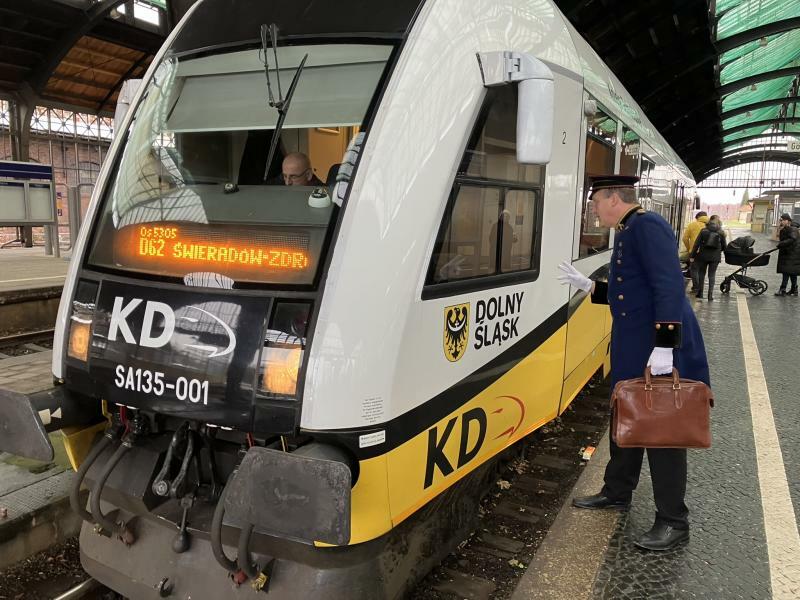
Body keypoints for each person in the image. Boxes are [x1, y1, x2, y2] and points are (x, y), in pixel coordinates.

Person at [557, 174, 709, 552]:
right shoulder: (629, 228)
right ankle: (617, 491)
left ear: (612, 198)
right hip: (634, 348)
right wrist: (590, 286)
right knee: (626, 418)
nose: (592, 209)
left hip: (655, 349)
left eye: (594, 201)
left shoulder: (648, 226)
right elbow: (632, 293)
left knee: (663, 433)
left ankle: (674, 521)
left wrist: (665, 345)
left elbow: (668, 286)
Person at [690, 217, 726, 301]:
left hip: (703, 256)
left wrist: (692, 256)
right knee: (712, 275)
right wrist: (719, 250)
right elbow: (724, 246)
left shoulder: (703, 231)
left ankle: (700, 293)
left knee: (701, 274)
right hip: (715, 257)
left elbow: (696, 244)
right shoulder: (721, 232)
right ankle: (710, 295)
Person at [682, 211, 709, 293]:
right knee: (702, 271)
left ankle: (696, 287)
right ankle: (701, 288)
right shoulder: (711, 226)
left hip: (694, 251)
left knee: (694, 269)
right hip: (707, 252)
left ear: (697, 218)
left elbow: (685, 238)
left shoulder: (692, 225)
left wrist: (689, 248)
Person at [775, 213, 800, 296]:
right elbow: (779, 237)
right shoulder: (785, 228)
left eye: (782, 220)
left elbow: (792, 239)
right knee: (792, 272)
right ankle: (794, 289)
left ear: (787, 220)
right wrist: (779, 229)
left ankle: (783, 289)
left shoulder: (793, 229)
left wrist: (781, 244)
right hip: (789, 254)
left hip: (792, 254)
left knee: (786, 271)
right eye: (780, 220)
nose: (781, 221)